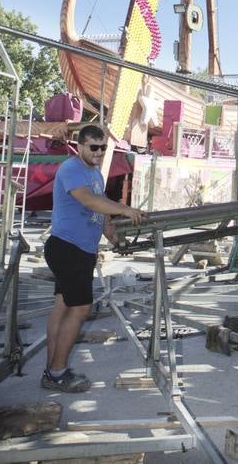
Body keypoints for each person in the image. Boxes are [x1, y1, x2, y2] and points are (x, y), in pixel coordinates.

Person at [42, 125, 146, 392]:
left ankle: (52, 370)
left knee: (63, 307)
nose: (99, 152)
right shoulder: (71, 169)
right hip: (68, 248)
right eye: (94, 147)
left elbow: (101, 212)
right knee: (80, 309)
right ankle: (57, 373)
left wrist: (113, 237)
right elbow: (89, 201)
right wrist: (125, 208)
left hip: (79, 251)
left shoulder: (95, 174)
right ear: (80, 146)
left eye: (102, 147)